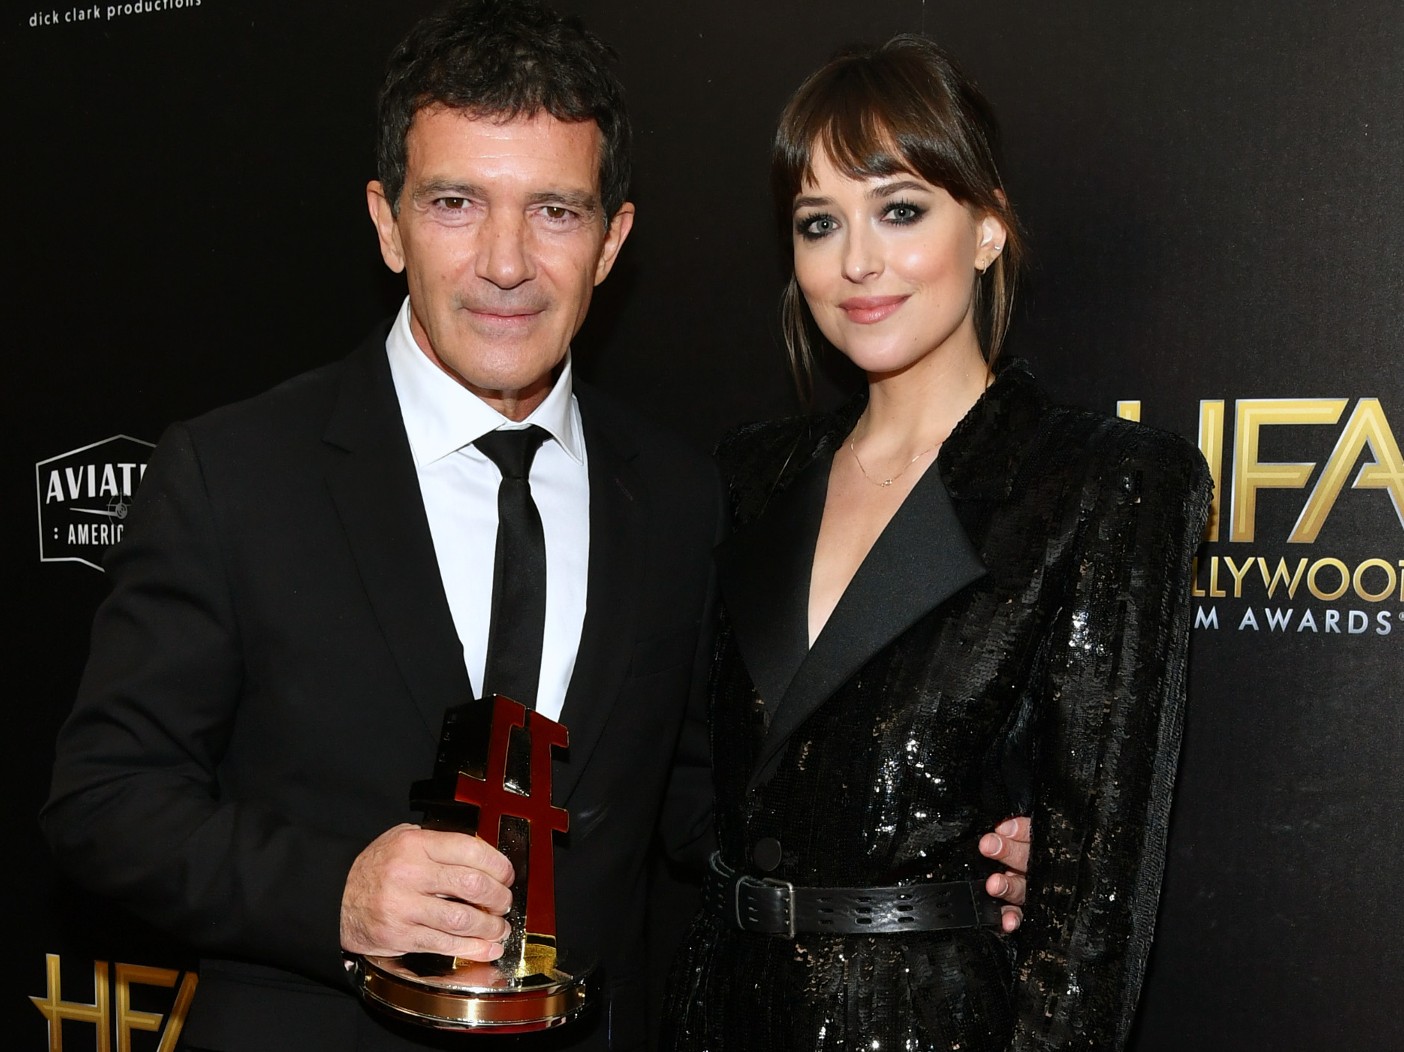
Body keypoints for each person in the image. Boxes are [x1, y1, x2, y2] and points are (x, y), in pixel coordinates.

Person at [40, 4, 1030, 1050]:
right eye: (457, 202)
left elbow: (721, 804)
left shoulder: (682, 497)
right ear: (388, 222)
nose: (506, 263)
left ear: (613, 240)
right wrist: (338, 893)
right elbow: (102, 802)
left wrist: (959, 840)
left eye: (555, 211)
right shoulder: (236, 473)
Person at [662, 35, 1211, 1052]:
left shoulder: (1102, 484)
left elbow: (1092, 925)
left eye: (900, 209)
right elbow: (696, 779)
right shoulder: (752, 476)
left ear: (989, 228)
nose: (857, 260)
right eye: (819, 223)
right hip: (718, 1011)